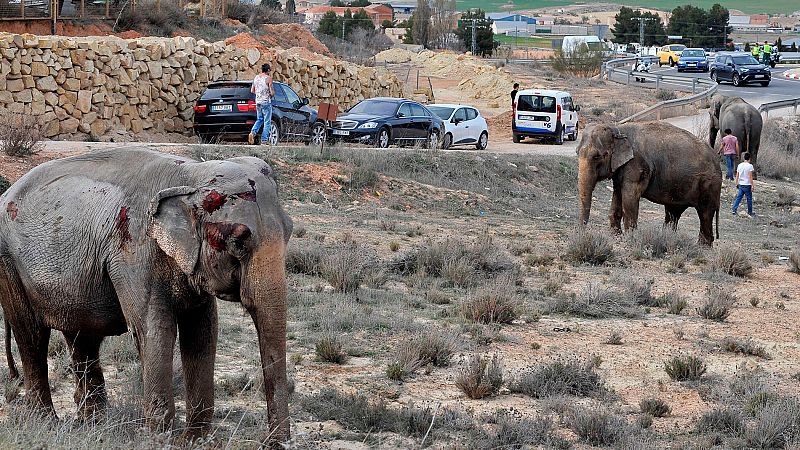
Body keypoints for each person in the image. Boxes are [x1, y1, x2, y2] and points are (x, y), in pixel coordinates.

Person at [249, 63, 276, 145]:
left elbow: (252, 91)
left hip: (258, 102)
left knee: (259, 119)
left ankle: (253, 133)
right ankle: (264, 140)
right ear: (268, 70)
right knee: (267, 121)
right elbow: (271, 92)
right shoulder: (268, 79)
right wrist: (271, 94)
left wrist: (259, 94)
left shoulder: (256, 78)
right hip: (266, 102)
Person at [732, 152, 755, 217]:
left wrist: (736, 183)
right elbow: (750, 177)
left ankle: (734, 209)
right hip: (747, 184)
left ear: (744, 158)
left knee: (738, 198)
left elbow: (737, 175)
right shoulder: (750, 166)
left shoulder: (740, 165)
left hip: (741, 184)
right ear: (749, 159)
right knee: (749, 199)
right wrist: (752, 185)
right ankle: (750, 212)